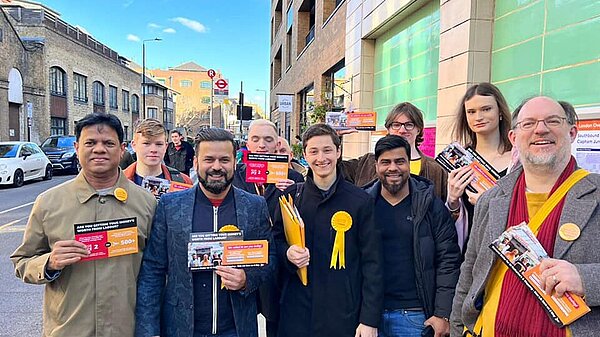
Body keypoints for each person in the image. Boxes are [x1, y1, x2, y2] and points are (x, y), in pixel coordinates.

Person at [451, 97, 600, 337]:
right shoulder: (491, 200)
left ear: (572, 132)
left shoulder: (596, 195)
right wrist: (458, 330)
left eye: (553, 121)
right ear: (514, 138)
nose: (541, 129)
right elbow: (469, 273)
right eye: (528, 123)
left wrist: (586, 279)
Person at [10, 113, 157, 337]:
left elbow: (158, 270)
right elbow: (22, 262)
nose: (99, 149)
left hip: (127, 329)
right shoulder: (49, 202)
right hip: (68, 329)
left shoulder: (147, 203)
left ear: (122, 149)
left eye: (108, 143)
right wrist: (49, 262)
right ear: (77, 147)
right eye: (90, 143)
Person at [135, 128, 276, 337]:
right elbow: (153, 269)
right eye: (209, 159)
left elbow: (269, 258)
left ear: (234, 163)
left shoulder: (255, 206)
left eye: (224, 160)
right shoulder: (170, 205)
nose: (217, 167)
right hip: (181, 328)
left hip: (236, 329)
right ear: (196, 163)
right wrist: (149, 330)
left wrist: (247, 279)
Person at [273, 123, 383, 337]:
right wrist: (287, 253)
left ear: (338, 152)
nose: (321, 158)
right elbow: (274, 243)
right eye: (313, 151)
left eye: (327, 150)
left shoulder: (360, 201)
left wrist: (369, 319)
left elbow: (373, 264)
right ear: (304, 154)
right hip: (297, 312)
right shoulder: (290, 199)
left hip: (343, 313)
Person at [364, 135, 461, 337]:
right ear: (376, 166)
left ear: (409, 164)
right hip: (369, 316)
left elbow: (448, 259)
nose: (393, 168)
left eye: (400, 161)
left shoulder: (431, 206)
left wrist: (442, 314)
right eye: (386, 162)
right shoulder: (363, 205)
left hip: (415, 316)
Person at [232, 119, 304, 337]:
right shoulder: (235, 176)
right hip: (244, 262)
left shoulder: (293, 178)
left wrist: (297, 192)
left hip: (279, 266)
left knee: (276, 324)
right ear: (248, 144)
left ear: (277, 144)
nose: (262, 144)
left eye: (268, 139)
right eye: (256, 139)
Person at [446, 83, 514, 249]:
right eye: (471, 112)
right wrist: (452, 201)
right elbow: (445, 222)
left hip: (507, 250)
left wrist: (490, 203)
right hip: (469, 252)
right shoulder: (457, 161)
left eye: (486, 109)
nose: (478, 117)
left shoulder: (518, 160)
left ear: (500, 112)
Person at [340, 102, 448, 200]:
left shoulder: (436, 169)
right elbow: (333, 172)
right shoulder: (367, 163)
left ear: (418, 129)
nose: (402, 130)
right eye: (396, 125)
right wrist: (334, 137)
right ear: (388, 129)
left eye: (409, 125)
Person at [123, 118, 192, 189]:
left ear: (166, 146)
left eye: (159, 144)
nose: (153, 150)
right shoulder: (115, 181)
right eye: (146, 143)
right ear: (134, 145)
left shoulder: (184, 183)